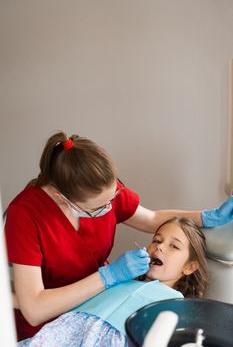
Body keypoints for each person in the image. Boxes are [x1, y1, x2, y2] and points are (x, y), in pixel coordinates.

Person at [4, 131, 233, 342]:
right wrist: (109, 277)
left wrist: (206, 217)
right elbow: (33, 309)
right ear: (62, 198)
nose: (111, 206)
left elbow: (152, 219)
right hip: (52, 323)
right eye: (101, 207)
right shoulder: (25, 215)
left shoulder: (103, 189)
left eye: (113, 197)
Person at [17, 217, 208, 347]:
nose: (160, 248)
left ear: (189, 267)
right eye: (157, 240)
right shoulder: (118, 279)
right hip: (63, 334)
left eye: (173, 246)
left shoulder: (177, 302)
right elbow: (57, 301)